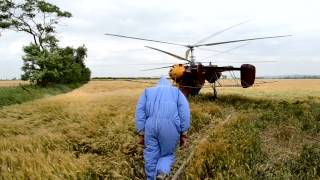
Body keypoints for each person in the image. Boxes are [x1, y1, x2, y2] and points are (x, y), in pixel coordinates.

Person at [135, 76, 190, 180]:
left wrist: (141, 132)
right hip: (170, 126)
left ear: (158, 84)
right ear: (168, 84)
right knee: (167, 154)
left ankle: (151, 178)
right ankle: (161, 174)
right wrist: (184, 132)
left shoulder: (147, 91)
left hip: (150, 126)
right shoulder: (177, 92)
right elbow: (185, 112)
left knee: (150, 154)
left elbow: (140, 112)